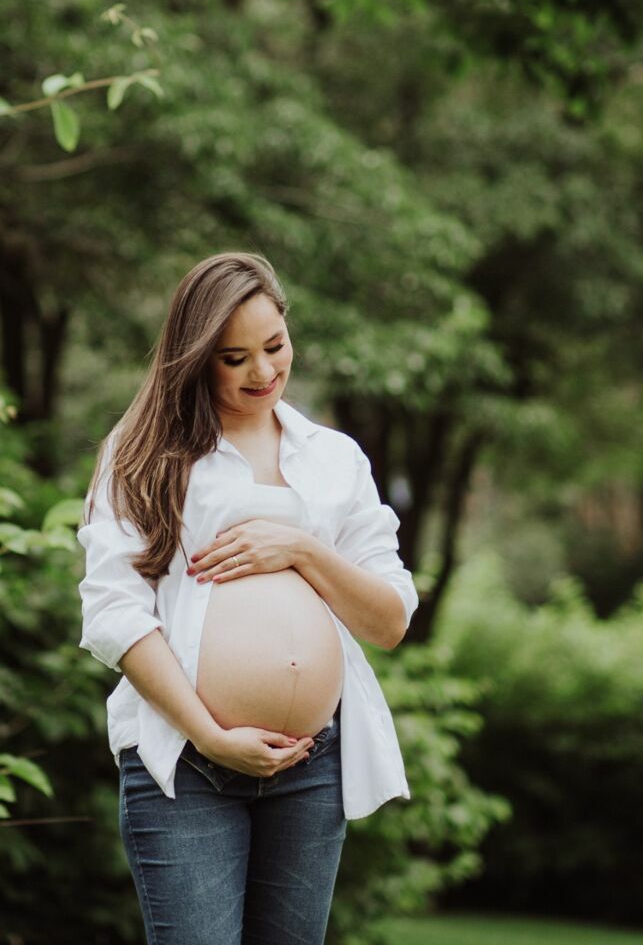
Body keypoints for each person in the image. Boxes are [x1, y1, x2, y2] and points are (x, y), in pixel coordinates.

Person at [76, 251, 421, 944]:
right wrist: (210, 735)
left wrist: (302, 549)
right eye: (234, 358)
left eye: (275, 346)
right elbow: (114, 614)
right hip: (187, 764)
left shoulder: (333, 458)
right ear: (195, 358)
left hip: (311, 765)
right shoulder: (145, 456)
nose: (262, 372)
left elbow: (388, 621)